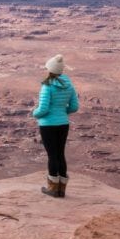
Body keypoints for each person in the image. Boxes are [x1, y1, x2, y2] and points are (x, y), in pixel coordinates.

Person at [32, 54, 79, 197]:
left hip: (48, 125)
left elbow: (43, 109)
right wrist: (62, 112)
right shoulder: (69, 85)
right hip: (63, 123)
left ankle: (53, 189)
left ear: (50, 69)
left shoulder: (47, 86)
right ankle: (61, 190)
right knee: (60, 154)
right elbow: (74, 106)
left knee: (52, 155)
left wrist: (35, 113)